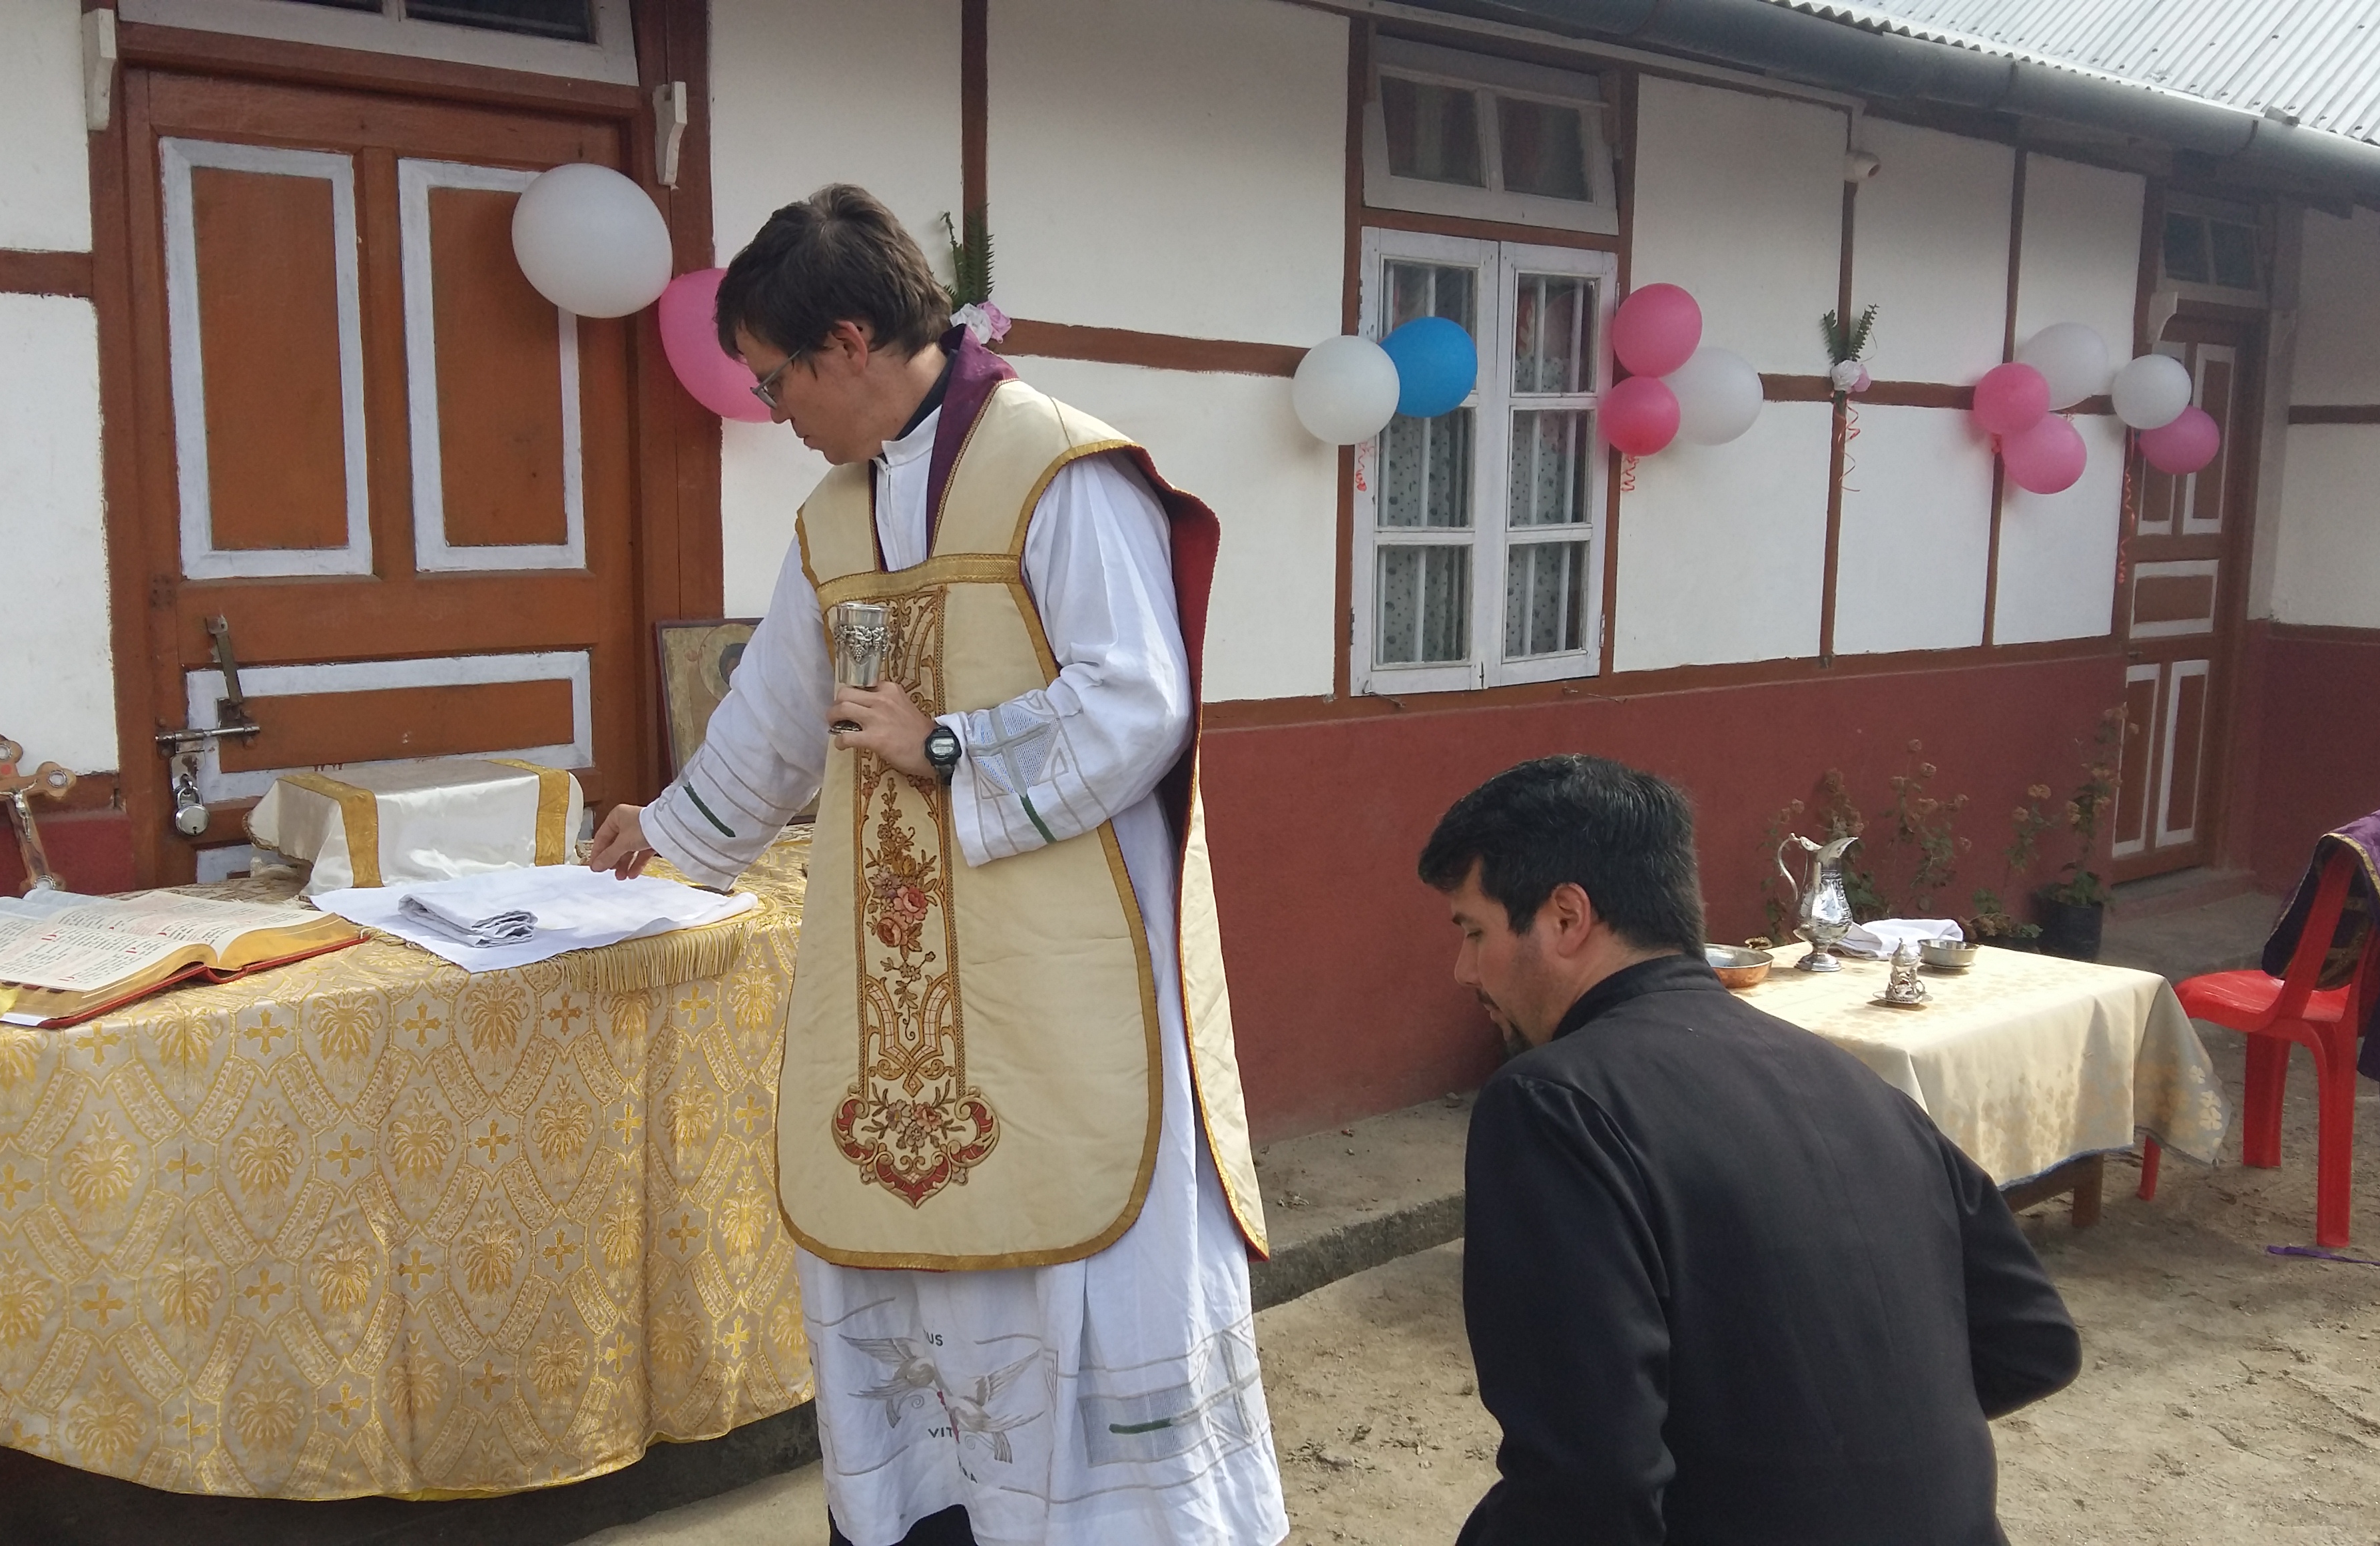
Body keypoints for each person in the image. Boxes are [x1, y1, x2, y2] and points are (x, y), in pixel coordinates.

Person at [589, 186, 1284, 1546]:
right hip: (900, 1003)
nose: (772, 409)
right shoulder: (833, 520)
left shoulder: (1060, 469)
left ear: (848, 341)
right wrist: (661, 835)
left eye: (775, 377)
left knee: (1071, 1260)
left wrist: (953, 748)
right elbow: (771, 735)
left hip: (1060, 990)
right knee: (917, 1277)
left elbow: (1142, 703)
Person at [1418, 755, 2082, 1546]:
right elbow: (2032, 1344)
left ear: (1567, 917)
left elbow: (1589, 1483)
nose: (1465, 970)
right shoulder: (1857, 1085)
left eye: (1473, 931)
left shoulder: (1553, 1105)